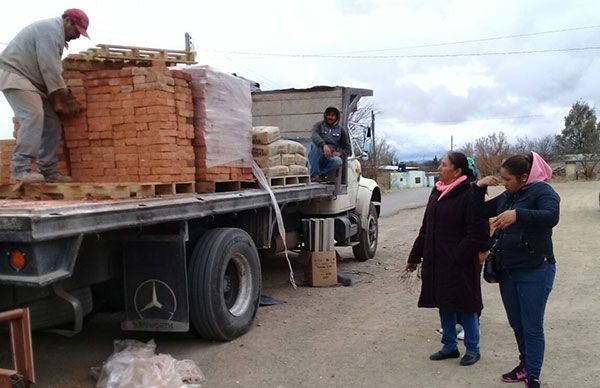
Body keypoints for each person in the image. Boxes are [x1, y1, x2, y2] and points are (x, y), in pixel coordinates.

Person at [476, 152, 558, 388]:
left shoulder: (542, 191)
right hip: (509, 270)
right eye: (501, 178)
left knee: (532, 325)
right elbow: (480, 210)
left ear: (524, 177)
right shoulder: (508, 195)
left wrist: (518, 215)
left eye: (507, 179)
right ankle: (524, 365)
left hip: (535, 269)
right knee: (517, 323)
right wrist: (478, 187)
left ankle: (532, 376)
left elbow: (552, 216)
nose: (504, 183)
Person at [405, 151, 489, 366]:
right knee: (445, 303)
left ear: (457, 171)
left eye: (444, 165)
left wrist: (458, 256)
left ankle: (473, 349)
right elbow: (426, 227)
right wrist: (415, 256)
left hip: (460, 263)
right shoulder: (437, 191)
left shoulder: (470, 194)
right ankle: (449, 346)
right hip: (437, 261)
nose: (439, 168)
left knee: (466, 305)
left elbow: (478, 233)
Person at [0, 9, 88, 183]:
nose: (77, 36)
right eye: (76, 30)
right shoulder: (50, 30)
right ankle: (20, 169)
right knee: (33, 115)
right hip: (15, 74)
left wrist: (60, 97)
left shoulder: (56, 35)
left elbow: (50, 70)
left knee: (52, 122)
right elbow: (50, 68)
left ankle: (48, 171)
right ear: (68, 21)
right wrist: (62, 96)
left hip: (33, 82)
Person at [308, 106, 351, 182]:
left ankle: (321, 175)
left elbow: (348, 149)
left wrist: (340, 153)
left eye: (333, 115)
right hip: (317, 156)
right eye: (328, 115)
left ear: (337, 117)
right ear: (325, 115)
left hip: (329, 158)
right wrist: (323, 145)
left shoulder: (341, 130)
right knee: (314, 146)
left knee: (338, 161)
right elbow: (314, 136)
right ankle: (314, 175)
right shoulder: (319, 125)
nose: (330, 117)